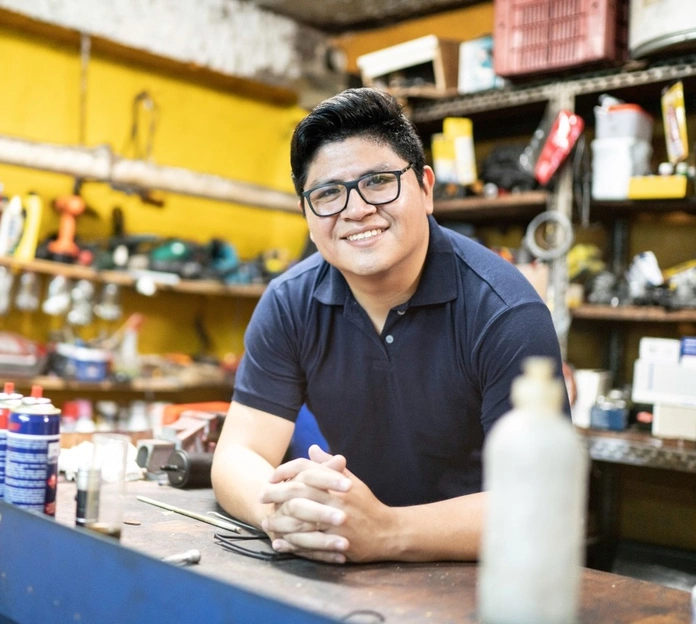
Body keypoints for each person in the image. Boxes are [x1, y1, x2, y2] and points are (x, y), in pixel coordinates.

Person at [211, 88, 566, 564]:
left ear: (426, 188)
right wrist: (278, 511)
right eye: (328, 193)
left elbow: (541, 507)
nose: (355, 209)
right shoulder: (289, 303)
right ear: (307, 215)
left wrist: (389, 530)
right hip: (352, 559)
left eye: (378, 181)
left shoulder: (504, 314)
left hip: (484, 571)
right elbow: (238, 454)